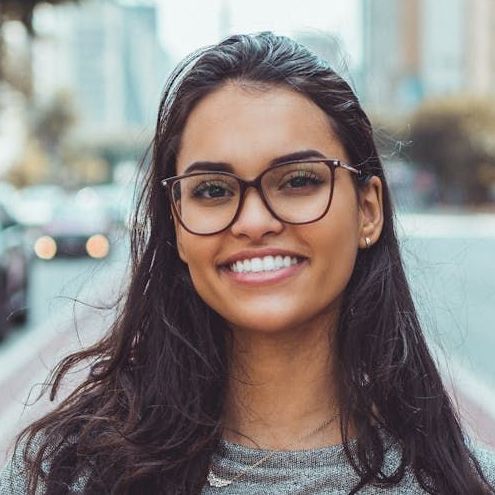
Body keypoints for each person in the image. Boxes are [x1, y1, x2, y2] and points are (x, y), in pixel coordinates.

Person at [1, 32, 495, 495]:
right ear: (175, 225)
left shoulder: (466, 481)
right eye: (213, 190)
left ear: (368, 210)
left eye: (299, 180)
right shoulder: (58, 475)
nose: (254, 221)